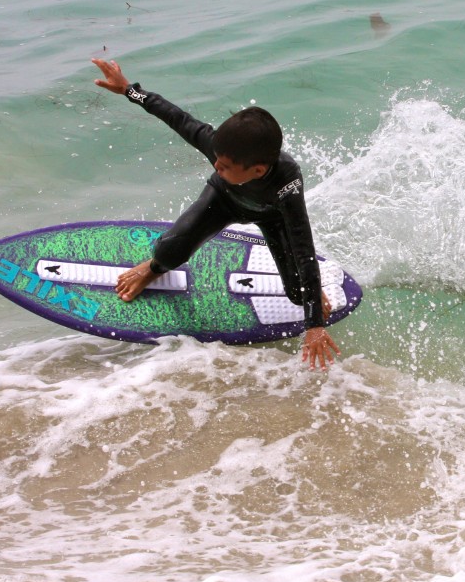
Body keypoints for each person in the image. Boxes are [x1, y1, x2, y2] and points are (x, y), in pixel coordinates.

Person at [91, 58, 341, 370]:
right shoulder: (220, 152)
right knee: (169, 252)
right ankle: (152, 269)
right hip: (223, 200)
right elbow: (176, 117)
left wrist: (314, 323)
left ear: (258, 170)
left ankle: (310, 294)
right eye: (216, 161)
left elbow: (303, 248)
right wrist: (129, 90)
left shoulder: (287, 184)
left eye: (224, 167)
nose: (216, 168)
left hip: (271, 216)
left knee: (298, 295)